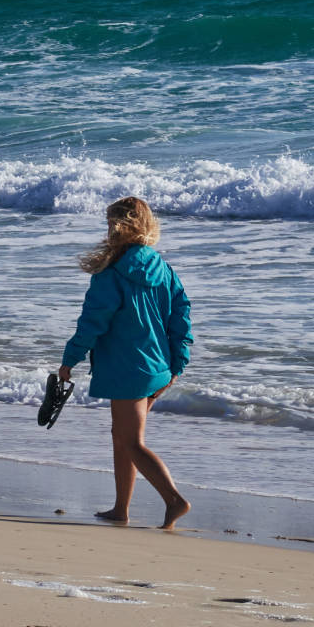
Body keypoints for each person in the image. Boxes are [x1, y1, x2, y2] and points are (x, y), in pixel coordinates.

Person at [58, 196, 193, 529]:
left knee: (130, 441)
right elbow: (181, 318)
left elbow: (92, 322)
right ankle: (121, 509)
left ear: (117, 227)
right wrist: (177, 365)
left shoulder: (111, 273)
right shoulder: (164, 269)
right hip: (158, 367)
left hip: (127, 368)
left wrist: (69, 359)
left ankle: (174, 500)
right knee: (123, 437)